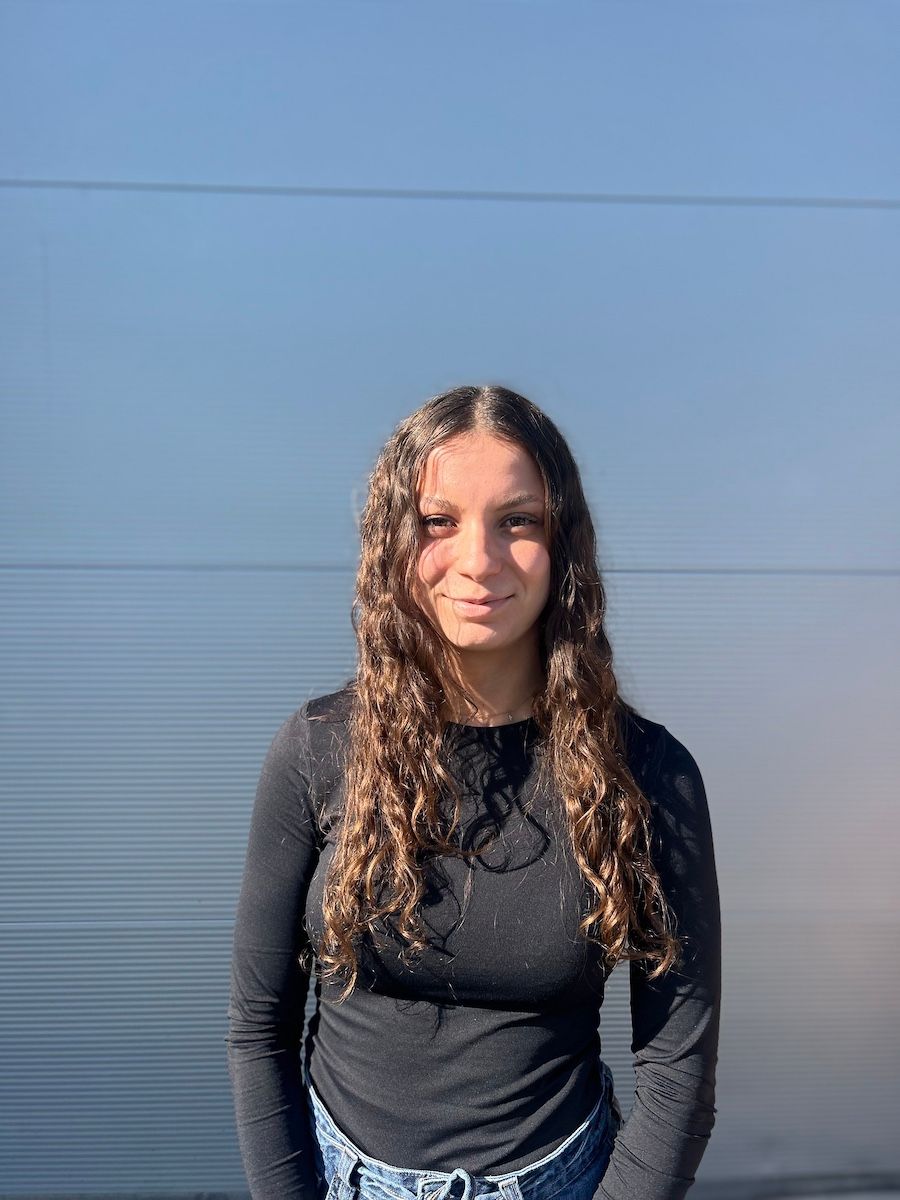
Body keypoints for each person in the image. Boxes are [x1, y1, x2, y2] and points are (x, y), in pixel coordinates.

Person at [226, 384, 721, 1200]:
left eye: (517, 521)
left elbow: (677, 1067)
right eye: (438, 521)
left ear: (563, 544)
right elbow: (257, 1031)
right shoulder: (315, 751)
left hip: (563, 1178)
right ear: (394, 540)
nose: (479, 560)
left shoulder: (649, 776)